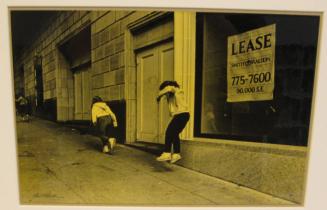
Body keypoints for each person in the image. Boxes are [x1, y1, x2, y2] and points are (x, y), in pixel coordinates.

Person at [156, 80, 190, 163]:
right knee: (174, 134)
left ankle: (167, 153)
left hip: (181, 114)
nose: (166, 95)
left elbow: (169, 89)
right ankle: (176, 154)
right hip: (182, 115)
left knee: (168, 132)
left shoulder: (176, 90)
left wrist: (159, 96)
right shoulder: (172, 95)